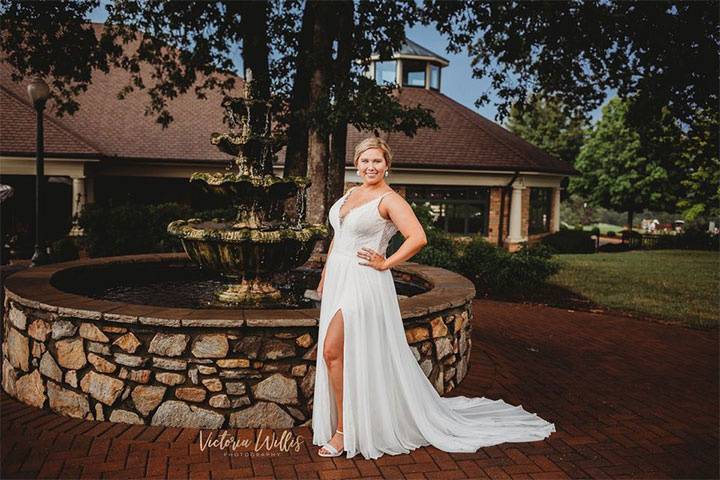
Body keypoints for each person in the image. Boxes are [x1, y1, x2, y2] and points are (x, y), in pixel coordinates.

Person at [311, 137, 556, 459]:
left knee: (331, 351)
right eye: (365, 161)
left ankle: (344, 431)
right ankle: (352, 420)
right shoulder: (351, 194)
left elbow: (418, 237)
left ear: (387, 165)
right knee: (341, 355)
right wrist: (324, 277)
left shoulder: (390, 200)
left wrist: (385, 262)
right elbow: (338, 239)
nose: (371, 167)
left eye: (377, 161)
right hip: (339, 279)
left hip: (364, 281)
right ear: (356, 164)